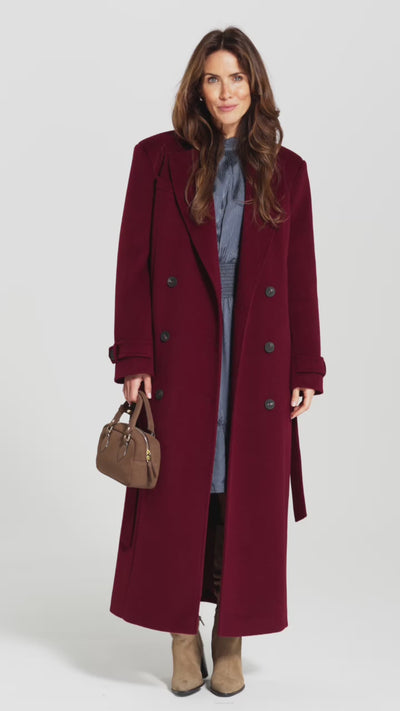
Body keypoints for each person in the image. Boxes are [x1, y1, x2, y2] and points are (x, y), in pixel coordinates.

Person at [107, 26, 326, 697]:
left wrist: (306, 367)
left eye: (237, 77)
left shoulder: (288, 171)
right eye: (213, 78)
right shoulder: (156, 159)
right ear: (197, 89)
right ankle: (182, 634)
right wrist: (135, 354)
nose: (226, 91)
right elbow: (134, 265)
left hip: (257, 352)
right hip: (184, 347)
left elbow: (300, 275)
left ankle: (231, 637)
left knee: (242, 486)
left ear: (254, 85)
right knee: (182, 485)